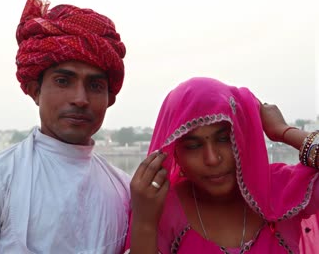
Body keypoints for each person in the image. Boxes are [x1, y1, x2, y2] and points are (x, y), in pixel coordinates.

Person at [0, 0, 130, 253]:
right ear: (35, 91)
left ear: (109, 98)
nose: (80, 99)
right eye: (63, 81)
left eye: (95, 85)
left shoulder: (122, 188)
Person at [125, 77, 319, 253]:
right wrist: (145, 224)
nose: (212, 158)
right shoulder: (162, 209)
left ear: (244, 136)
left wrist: (283, 131)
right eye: (193, 146)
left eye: (225, 139)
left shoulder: (282, 189)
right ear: (175, 153)